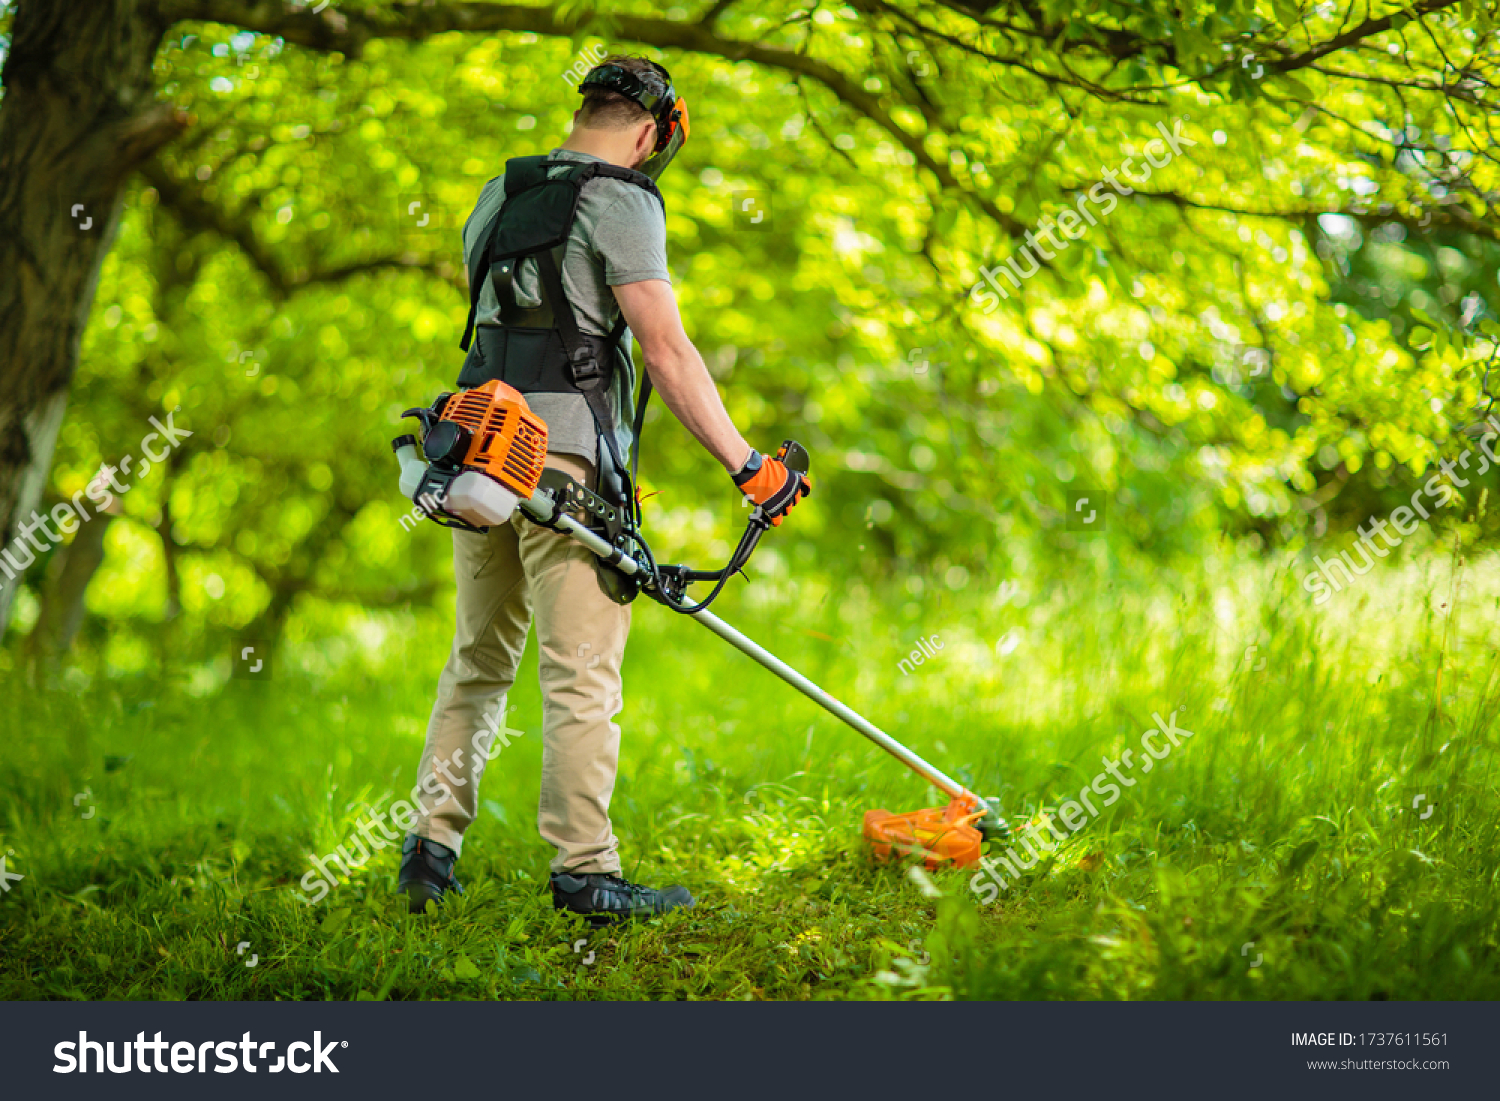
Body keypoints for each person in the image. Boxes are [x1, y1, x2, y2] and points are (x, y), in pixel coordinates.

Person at [397, 56, 809, 923]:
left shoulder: (495, 195)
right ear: (652, 132)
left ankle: (428, 855)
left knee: (475, 664)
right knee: (580, 676)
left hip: (477, 461)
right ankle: (586, 871)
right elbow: (667, 351)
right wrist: (750, 468)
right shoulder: (621, 201)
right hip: (567, 472)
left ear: (585, 111)